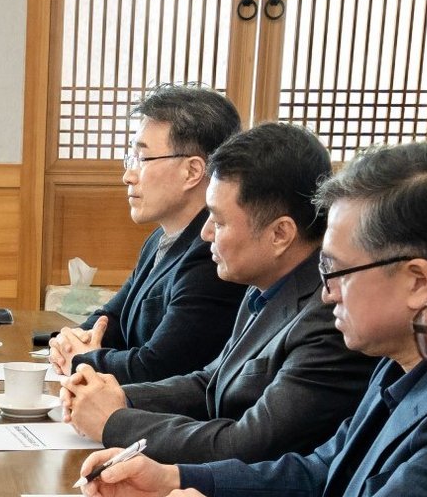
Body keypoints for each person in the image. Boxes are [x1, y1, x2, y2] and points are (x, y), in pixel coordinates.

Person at [73, 142, 427, 497]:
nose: (326, 292)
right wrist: (175, 478)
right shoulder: (393, 363)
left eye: (334, 270)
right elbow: (319, 473)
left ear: (419, 282)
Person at [61, 123, 375, 463]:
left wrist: (114, 421)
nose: (206, 233)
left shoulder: (330, 315)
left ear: (280, 234)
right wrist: (117, 396)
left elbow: (246, 444)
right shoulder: (263, 284)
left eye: (219, 221)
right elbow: (210, 382)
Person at [49, 84, 247, 384]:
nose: (128, 176)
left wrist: (82, 359)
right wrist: (72, 341)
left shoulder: (214, 253)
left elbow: (159, 367)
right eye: (130, 159)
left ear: (193, 171)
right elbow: (112, 317)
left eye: (142, 159)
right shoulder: (160, 238)